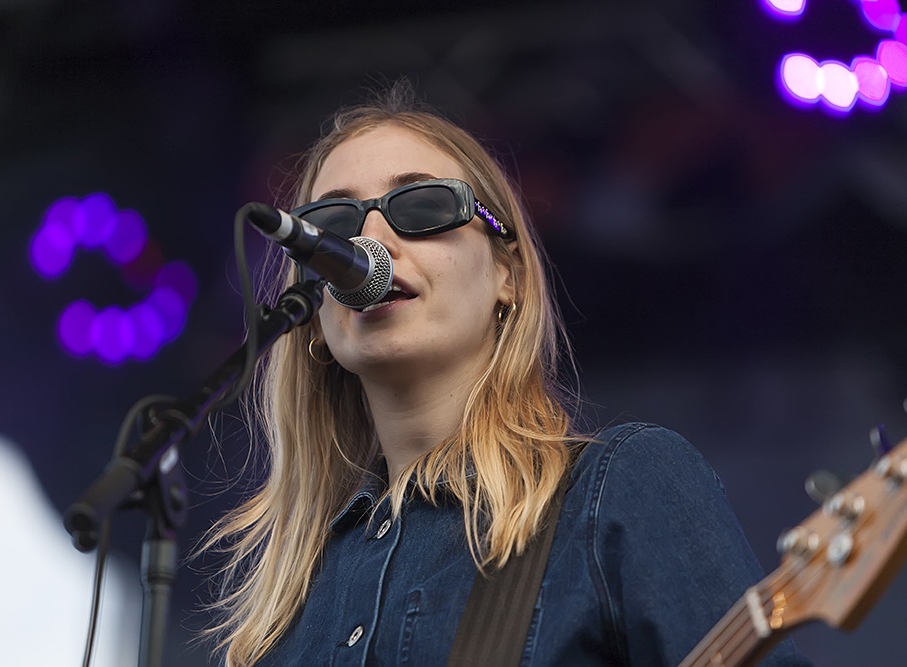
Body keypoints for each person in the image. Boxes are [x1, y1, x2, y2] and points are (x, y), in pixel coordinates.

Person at [201, 84, 809, 666]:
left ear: (507, 275)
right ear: (314, 310)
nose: (368, 241)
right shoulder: (287, 608)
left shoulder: (617, 491)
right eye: (330, 225)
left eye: (422, 205)